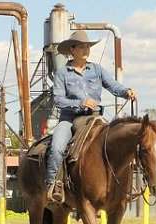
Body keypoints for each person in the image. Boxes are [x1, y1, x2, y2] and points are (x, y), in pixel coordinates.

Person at [44, 30, 136, 202]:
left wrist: (126, 92)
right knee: (57, 147)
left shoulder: (97, 70)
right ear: (72, 50)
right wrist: (80, 103)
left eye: (87, 46)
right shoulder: (63, 73)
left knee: (117, 143)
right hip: (70, 119)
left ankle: (124, 187)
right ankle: (53, 185)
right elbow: (58, 100)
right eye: (81, 46)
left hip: (95, 118)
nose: (86, 49)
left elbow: (114, 86)